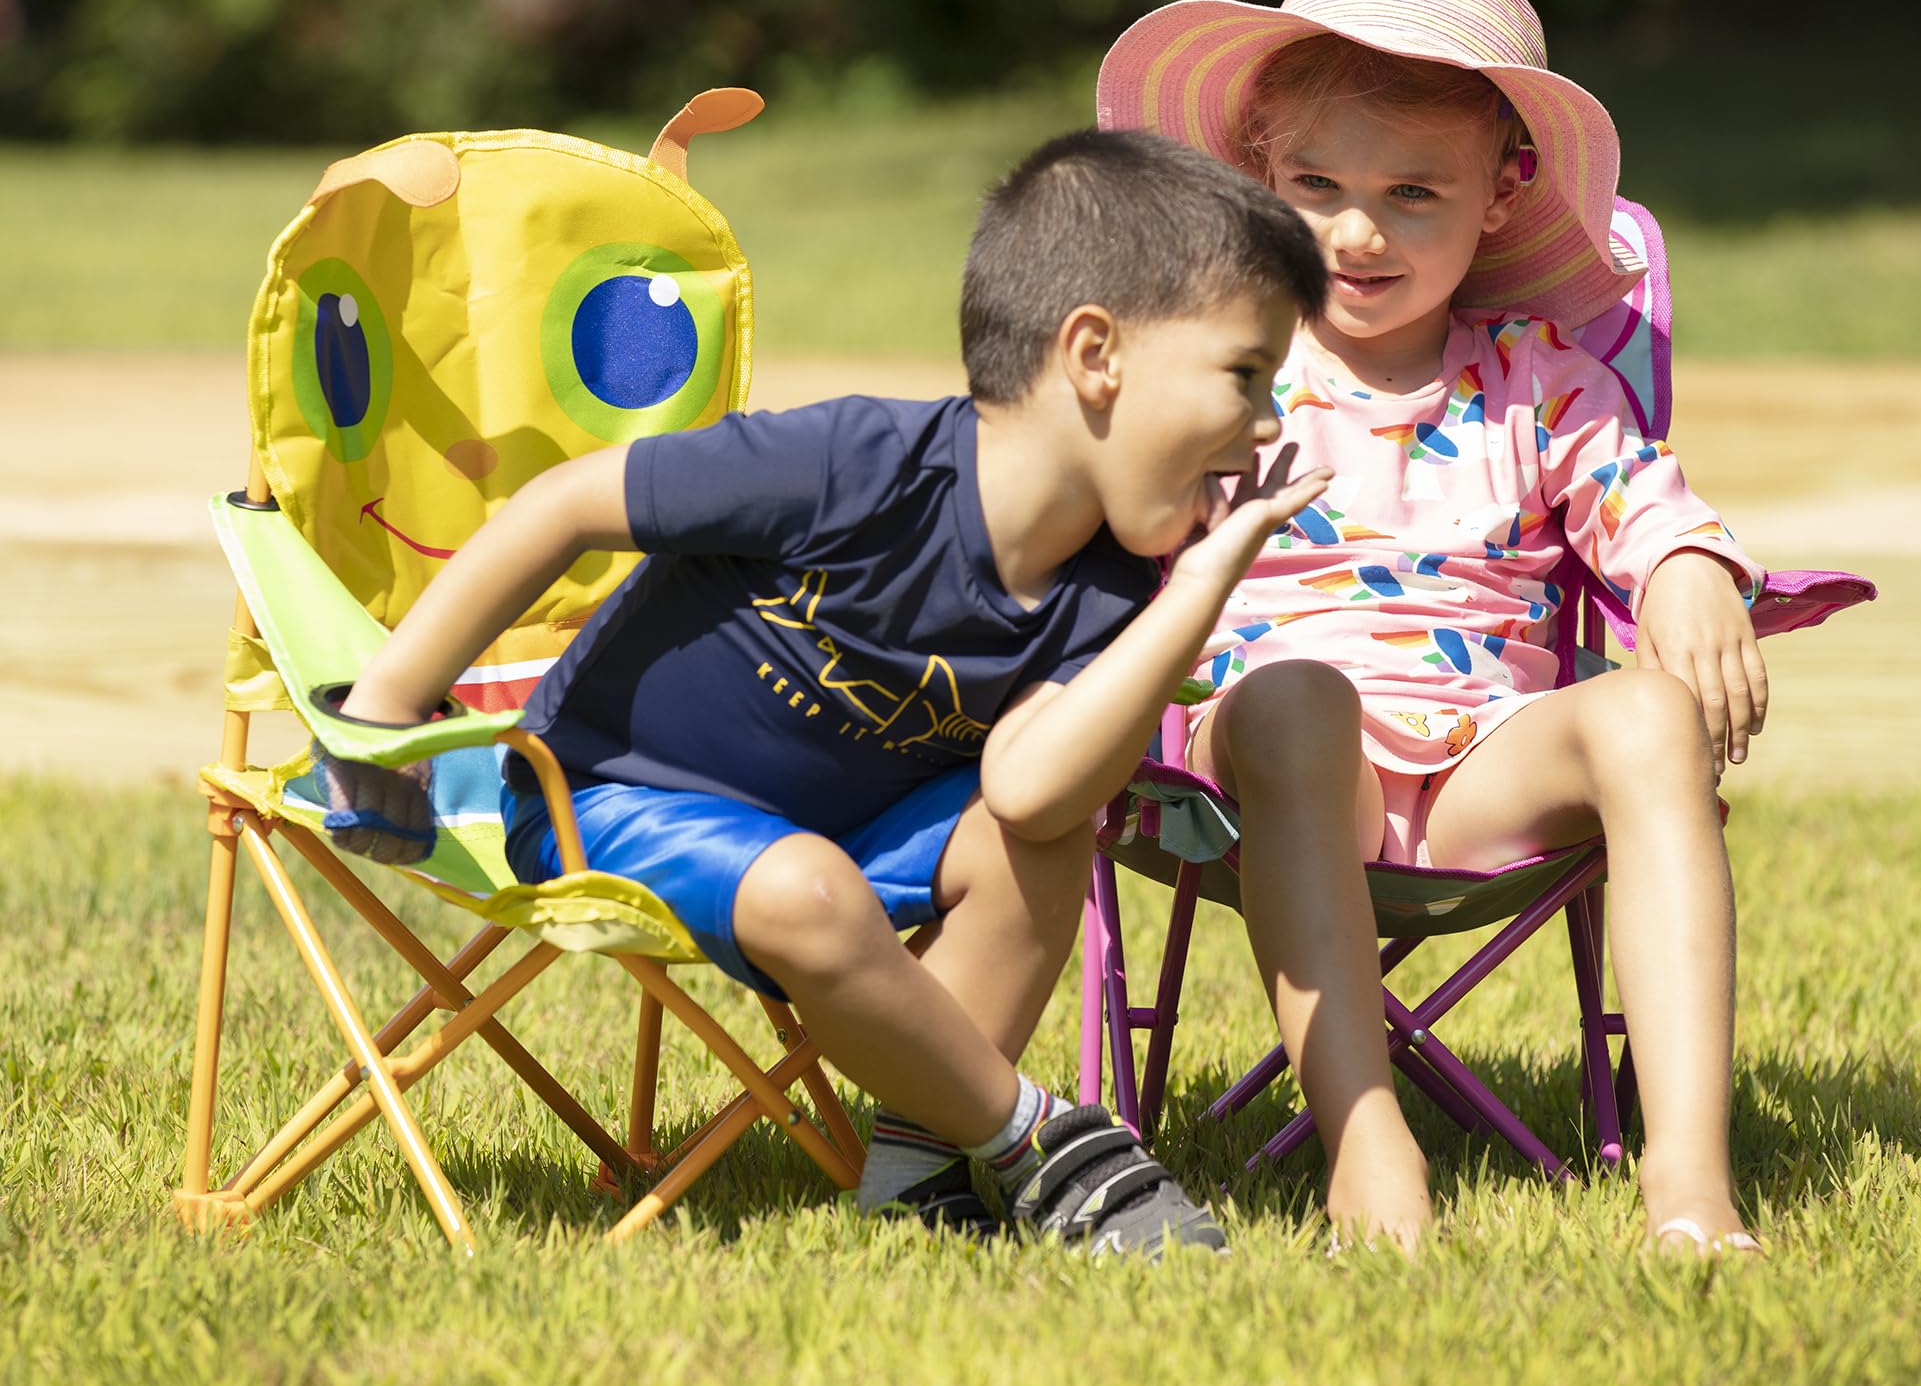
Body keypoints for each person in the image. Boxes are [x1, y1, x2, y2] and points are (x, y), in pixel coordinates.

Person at [319, 128, 1333, 1257]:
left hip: (838, 841)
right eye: (1244, 375)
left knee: (1026, 836)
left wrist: (1191, 591)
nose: (1266, 425)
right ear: (1093, 353)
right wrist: (383, 714)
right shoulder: (856, 464)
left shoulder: (1111, 585)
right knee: (808, 889)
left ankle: (918, 1164)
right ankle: (1034, 1140)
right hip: (602, 798)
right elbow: (561, 505)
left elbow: (1034, 790)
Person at [1098, 0, 1768, 1257]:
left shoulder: (1542, 377)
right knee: (1297, 702)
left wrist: (1688, 569)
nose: (1359, 232)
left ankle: (1690, 1180)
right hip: (1273, 768)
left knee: (1643, 717)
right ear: (1255, 181)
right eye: (1318, 187)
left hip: (1483, 767)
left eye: (1415, 193)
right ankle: (1366, 1143)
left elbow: (1644, 501)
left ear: (1500, 199)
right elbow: (1112, 518)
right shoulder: (1224, 366)